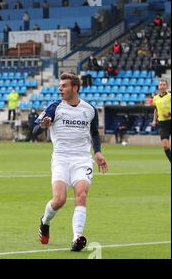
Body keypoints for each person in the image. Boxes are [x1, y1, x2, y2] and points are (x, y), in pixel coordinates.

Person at [33, 73, 108, 252]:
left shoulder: (89, 109)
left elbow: (95, 133)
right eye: (60, 86)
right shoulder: (54, 107)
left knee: (81, 194)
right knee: (59, 200)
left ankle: (77, 238)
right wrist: (43, 126)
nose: (60, 89)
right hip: (61, 158)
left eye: (64, 86)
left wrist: (97, 152)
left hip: (82, 159)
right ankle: (45, 221)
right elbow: (34, 130)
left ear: (75, 88)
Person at [151, 79, 171, 163]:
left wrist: (169, 113)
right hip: (163, 124)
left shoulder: (170, 96)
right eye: (160, 85)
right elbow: (156, 110)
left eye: (164, 84)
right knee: (165, 146)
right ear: (158, 87)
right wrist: (154, 121)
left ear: (167, 86)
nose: (162, 86)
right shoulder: (155, 98)